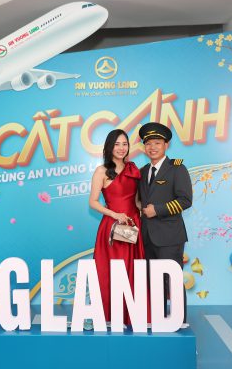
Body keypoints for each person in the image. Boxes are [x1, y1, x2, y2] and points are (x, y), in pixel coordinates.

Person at [88, 129, 145, 326]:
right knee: (110, 271)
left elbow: (136, 201)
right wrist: (114, 215)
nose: (121, 148)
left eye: (125, 144)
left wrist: (147, 211)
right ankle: (107, 315)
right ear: (109, 147)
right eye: (117, 144)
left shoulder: (133, 170)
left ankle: (131, 315)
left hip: (133, 226)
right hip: (112, 227)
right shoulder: (101, 171)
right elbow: (93, 202)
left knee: (133, 271)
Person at [138, 122, 192, 325]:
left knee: (172, 281)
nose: (152, 147)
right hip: (147, 236)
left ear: (166, 145)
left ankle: (178, 322)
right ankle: (159, 320)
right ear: (144, 147)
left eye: (157, 143)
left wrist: (157, 210)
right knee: (154, 282)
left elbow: (185, 201)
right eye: (148, 143)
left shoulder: (177, 168)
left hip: (170, 236)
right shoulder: (143, 171)